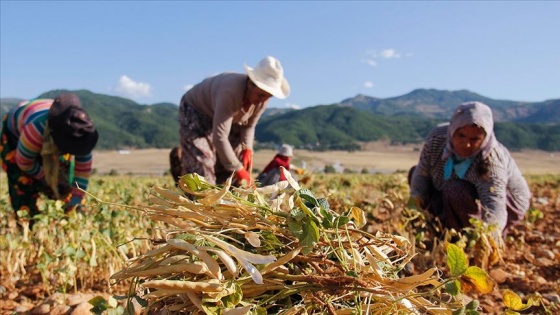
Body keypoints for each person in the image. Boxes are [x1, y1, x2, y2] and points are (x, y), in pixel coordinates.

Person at [408, 101, 531, 237]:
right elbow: (422, 172)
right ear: (453, 130)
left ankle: (464, 238)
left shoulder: (491, 161)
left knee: (455, 189)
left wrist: (487, 239)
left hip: (507, 202)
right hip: (459, 191)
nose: (466, 144)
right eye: (461, 135)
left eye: (475, 139)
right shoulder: (437, 138)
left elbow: (494, 206)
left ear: (485, 138)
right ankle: (443, 230)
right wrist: (415, 208)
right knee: (415, 174)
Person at [172, 56, 290, 187]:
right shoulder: (230, 92)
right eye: (261, 95)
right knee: (203, 162)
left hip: (227, 118)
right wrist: (238, 168)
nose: (262, 100)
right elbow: (220, 138)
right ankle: (194, 187)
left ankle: (226, 195)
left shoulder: (261, 101)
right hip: (197, 111)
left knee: (233, 158)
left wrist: (247, 149)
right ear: (250, 83)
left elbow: (249, 127)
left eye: (268, 97)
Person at [1, 93, 99, 228]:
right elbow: (24, 162)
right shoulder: (36, 129)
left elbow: (82, 172)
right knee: (22, 182)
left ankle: (61, 219)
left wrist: (75, 202)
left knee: (64, 181)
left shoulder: (82, 133)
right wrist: (46, 178)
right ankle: (28, 226)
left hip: (52, 129)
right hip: (16, 134)